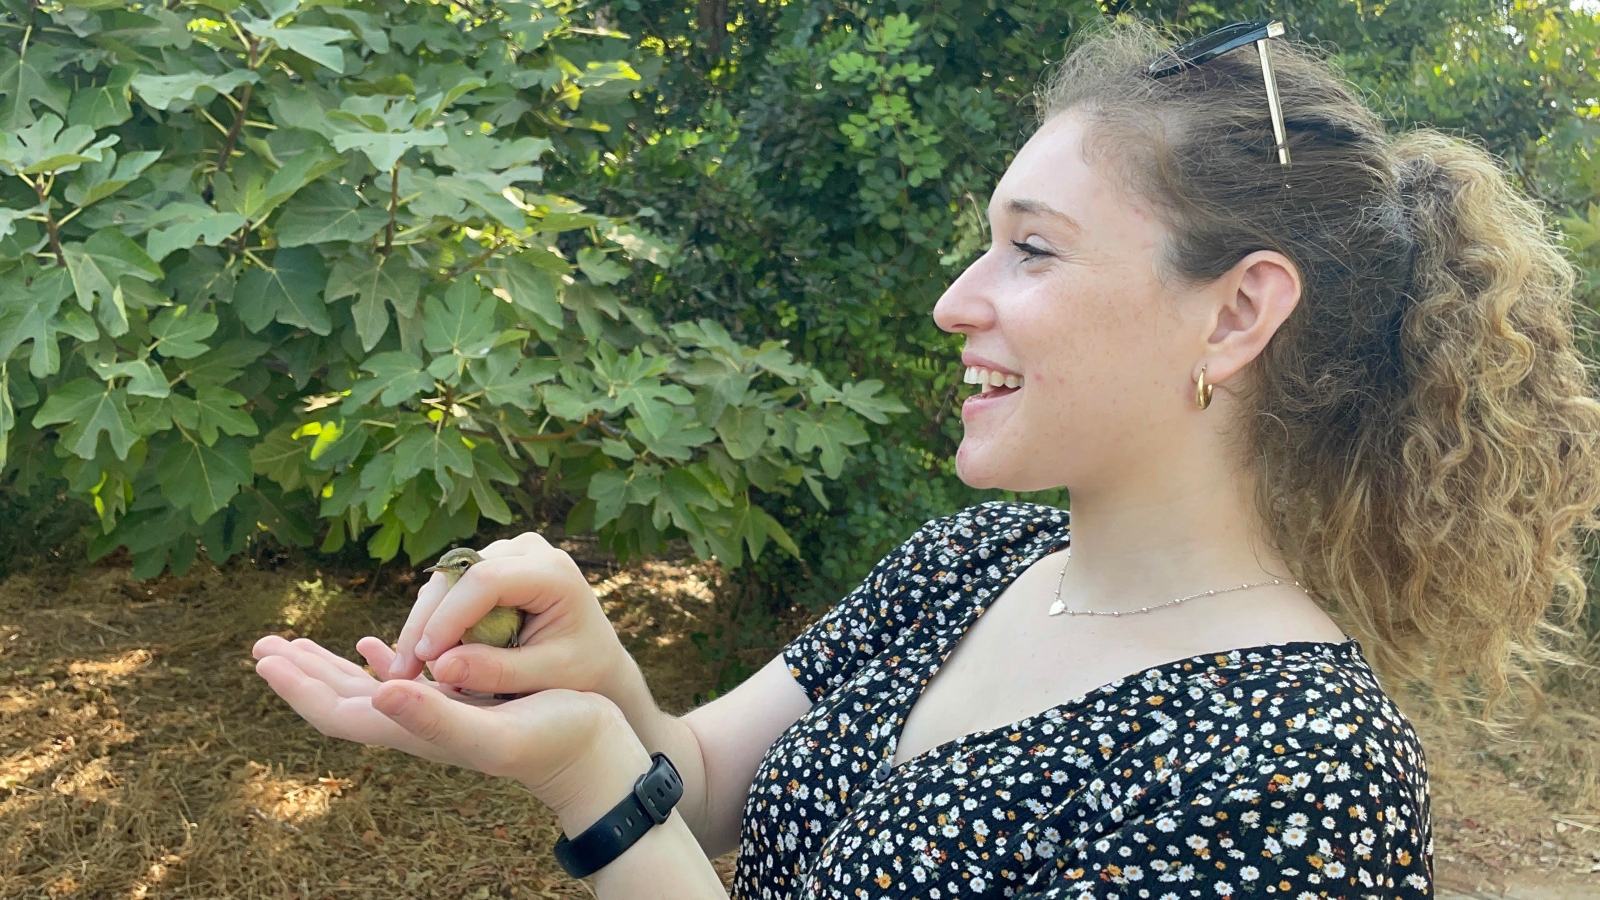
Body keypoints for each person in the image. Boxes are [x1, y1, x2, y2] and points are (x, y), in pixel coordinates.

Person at [251, 17, 1600, 899]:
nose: (957, 300)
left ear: (1238, 311)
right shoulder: (981, 560)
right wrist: (593, 679)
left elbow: (643, 809)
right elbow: (711, 788)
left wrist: (590, 786)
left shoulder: (1296, 768)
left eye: (1033, 246)